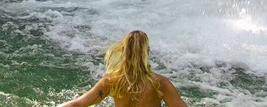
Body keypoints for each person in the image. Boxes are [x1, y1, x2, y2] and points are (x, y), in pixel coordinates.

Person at [57, 31, 189, 107]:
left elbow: (76, 105)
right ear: (147, 52)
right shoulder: (160, 84)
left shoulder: (112, 80)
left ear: (124, 51)